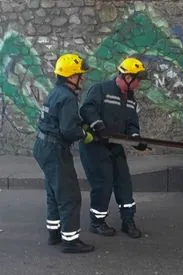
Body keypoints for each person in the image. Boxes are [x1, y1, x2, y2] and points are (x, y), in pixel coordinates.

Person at [79, 57, 148, 239]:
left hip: (115, 145)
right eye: (138, 79)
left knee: (124, 182)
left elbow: (132, 124)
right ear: (126, 77)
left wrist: (136, 139)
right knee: (103, 183)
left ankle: (128, 221)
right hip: (95, 145)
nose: (139, 84)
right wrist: (98, 125)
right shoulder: (101, 89)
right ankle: (97, 222)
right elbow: (87, 110)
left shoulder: (131, 100)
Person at [33, 53, 95, 253]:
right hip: (55, 149)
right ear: (69, 76)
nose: (82, 78)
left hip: (43, 146)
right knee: (69, 195)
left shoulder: (56, 92)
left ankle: (55, 233)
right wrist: (84, 134)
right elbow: (68, 130)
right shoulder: (68, 98)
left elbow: (58, 120)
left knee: (53, 191)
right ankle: (70, 240)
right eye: (79, 75)